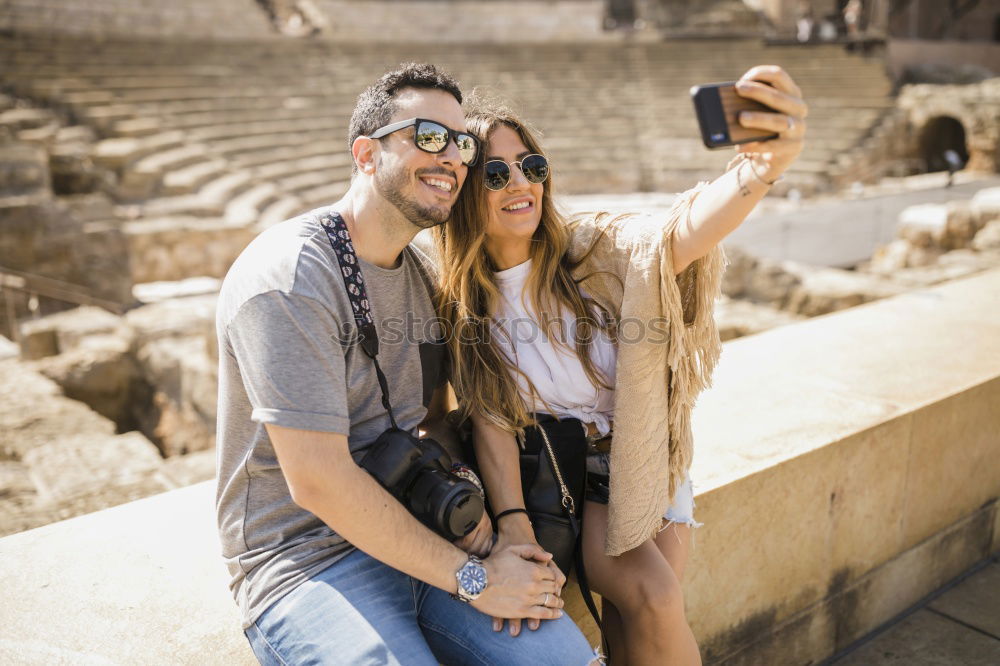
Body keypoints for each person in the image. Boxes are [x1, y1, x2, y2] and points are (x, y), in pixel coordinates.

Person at [215, 63, 598, 665]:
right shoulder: (292, 279)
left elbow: (443, 420)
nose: (452, 157)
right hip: (308, 564)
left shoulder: (419, 275)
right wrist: (475, 578)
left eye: (462, 143)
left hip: (423, 533)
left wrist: (488, 523)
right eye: (427, 136)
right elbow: (317, 481)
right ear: (366, 154)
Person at [433, 66, 807, 665]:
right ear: (465, 192)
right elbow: (490, 419)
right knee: (656, 597)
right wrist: (513, 525)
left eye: (531, 166)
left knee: (638, 630)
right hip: (571, 482)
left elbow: (675, 238)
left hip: (646, 461)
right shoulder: (461, 304)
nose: (518, 184)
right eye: (494, 174)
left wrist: (759, 170)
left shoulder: (593, 252)